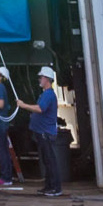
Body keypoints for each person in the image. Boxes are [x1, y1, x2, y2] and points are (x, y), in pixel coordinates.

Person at [32, 65, 70, 197]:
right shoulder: (46, 94)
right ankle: (49, 186)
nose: (39, 79)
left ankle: (55, 187)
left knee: (50, 160)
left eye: (41, 77)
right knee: (47, 161)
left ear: (47, 79)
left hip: (46, 133)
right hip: (43, 133)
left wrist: (24, 106)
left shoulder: (48, 95)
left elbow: (40, 109)